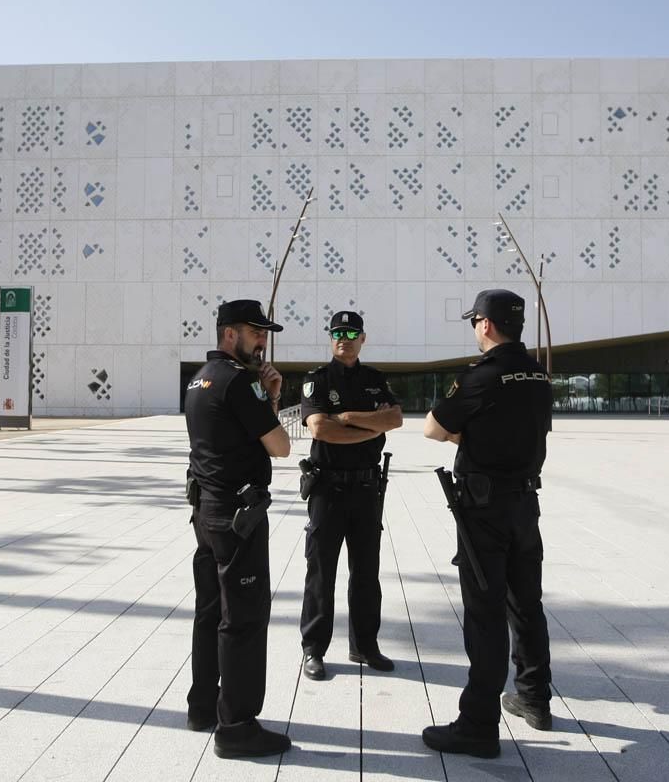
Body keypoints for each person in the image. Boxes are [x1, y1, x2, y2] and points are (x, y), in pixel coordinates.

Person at [420, 289, 555, 759]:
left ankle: (477, 725)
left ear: (486, 325)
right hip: (524, 504)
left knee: (485, 613)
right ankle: (534, 698)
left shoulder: (482, 376)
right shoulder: (538, 374)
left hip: (484, 510)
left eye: (475, 321)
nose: (475, 328)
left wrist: (469, 432)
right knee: (527, 604)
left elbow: (433, 428)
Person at [184, 299, 292, 759]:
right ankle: (238, 727)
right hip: (237, 519)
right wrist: (270, 396)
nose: (263, 340)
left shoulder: (200, 378)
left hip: (207, 513)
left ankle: (203, 707)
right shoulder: (236, 382)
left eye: (264, 332)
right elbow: (281, 446)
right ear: (230, 333)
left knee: (209, 612)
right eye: (256, 331)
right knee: (243, 619)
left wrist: (262, 395)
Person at [298, 311, 403, 681]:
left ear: (363, 338)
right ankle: (314, 649)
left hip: (366, 488)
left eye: (352, 332)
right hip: (327, 488)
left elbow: (394, 420)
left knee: (366, 572)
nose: (344, 337)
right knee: (321, 571)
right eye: (337, 332)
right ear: (330, 338)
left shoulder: (375, 379)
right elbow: (320, 429)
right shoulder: (317, 380)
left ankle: (364, 645)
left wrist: (346, 418)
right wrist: (367, 427)